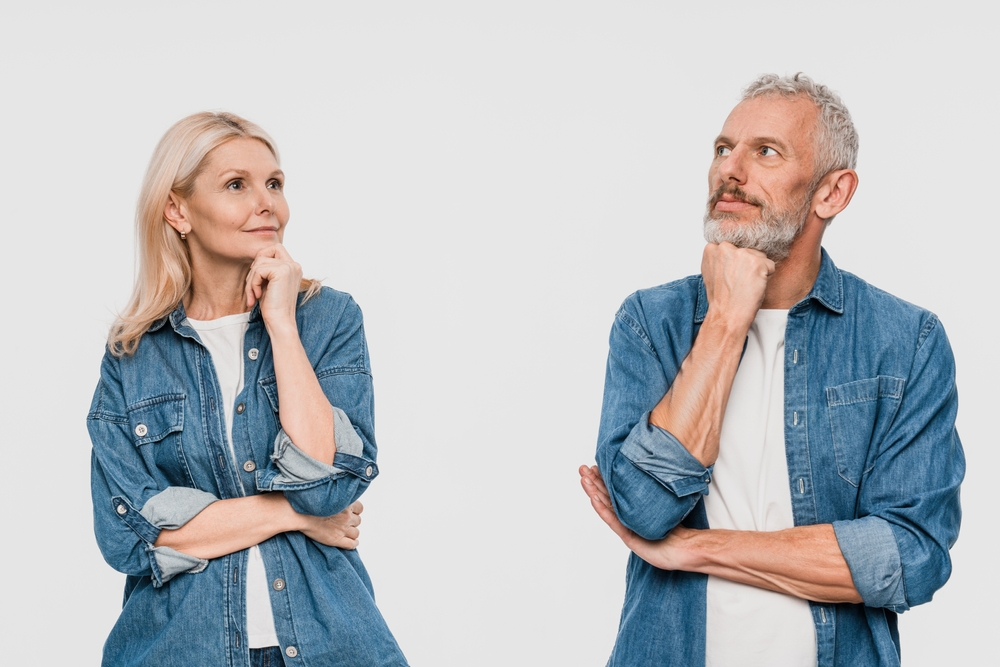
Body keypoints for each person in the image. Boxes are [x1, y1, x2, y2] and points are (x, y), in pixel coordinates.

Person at [578, 73, 964, 667]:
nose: (730, 170)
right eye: (722, 148)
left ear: (832, 192)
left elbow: (912, 555)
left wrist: (697, 550)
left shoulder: (905, 342)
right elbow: (645, 510)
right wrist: (725, 321)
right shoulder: (650, 322)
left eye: (765, 151)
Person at [88, 112, 408, 667]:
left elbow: (327, 488)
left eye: (274, 184)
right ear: (177, 210)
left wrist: (282, 325)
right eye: (237, 185)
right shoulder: (133, 355)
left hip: (332, 648)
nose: (267, 204)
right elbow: (132, 536)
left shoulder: (327, 320)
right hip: (178, 651)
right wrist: (295, 516)